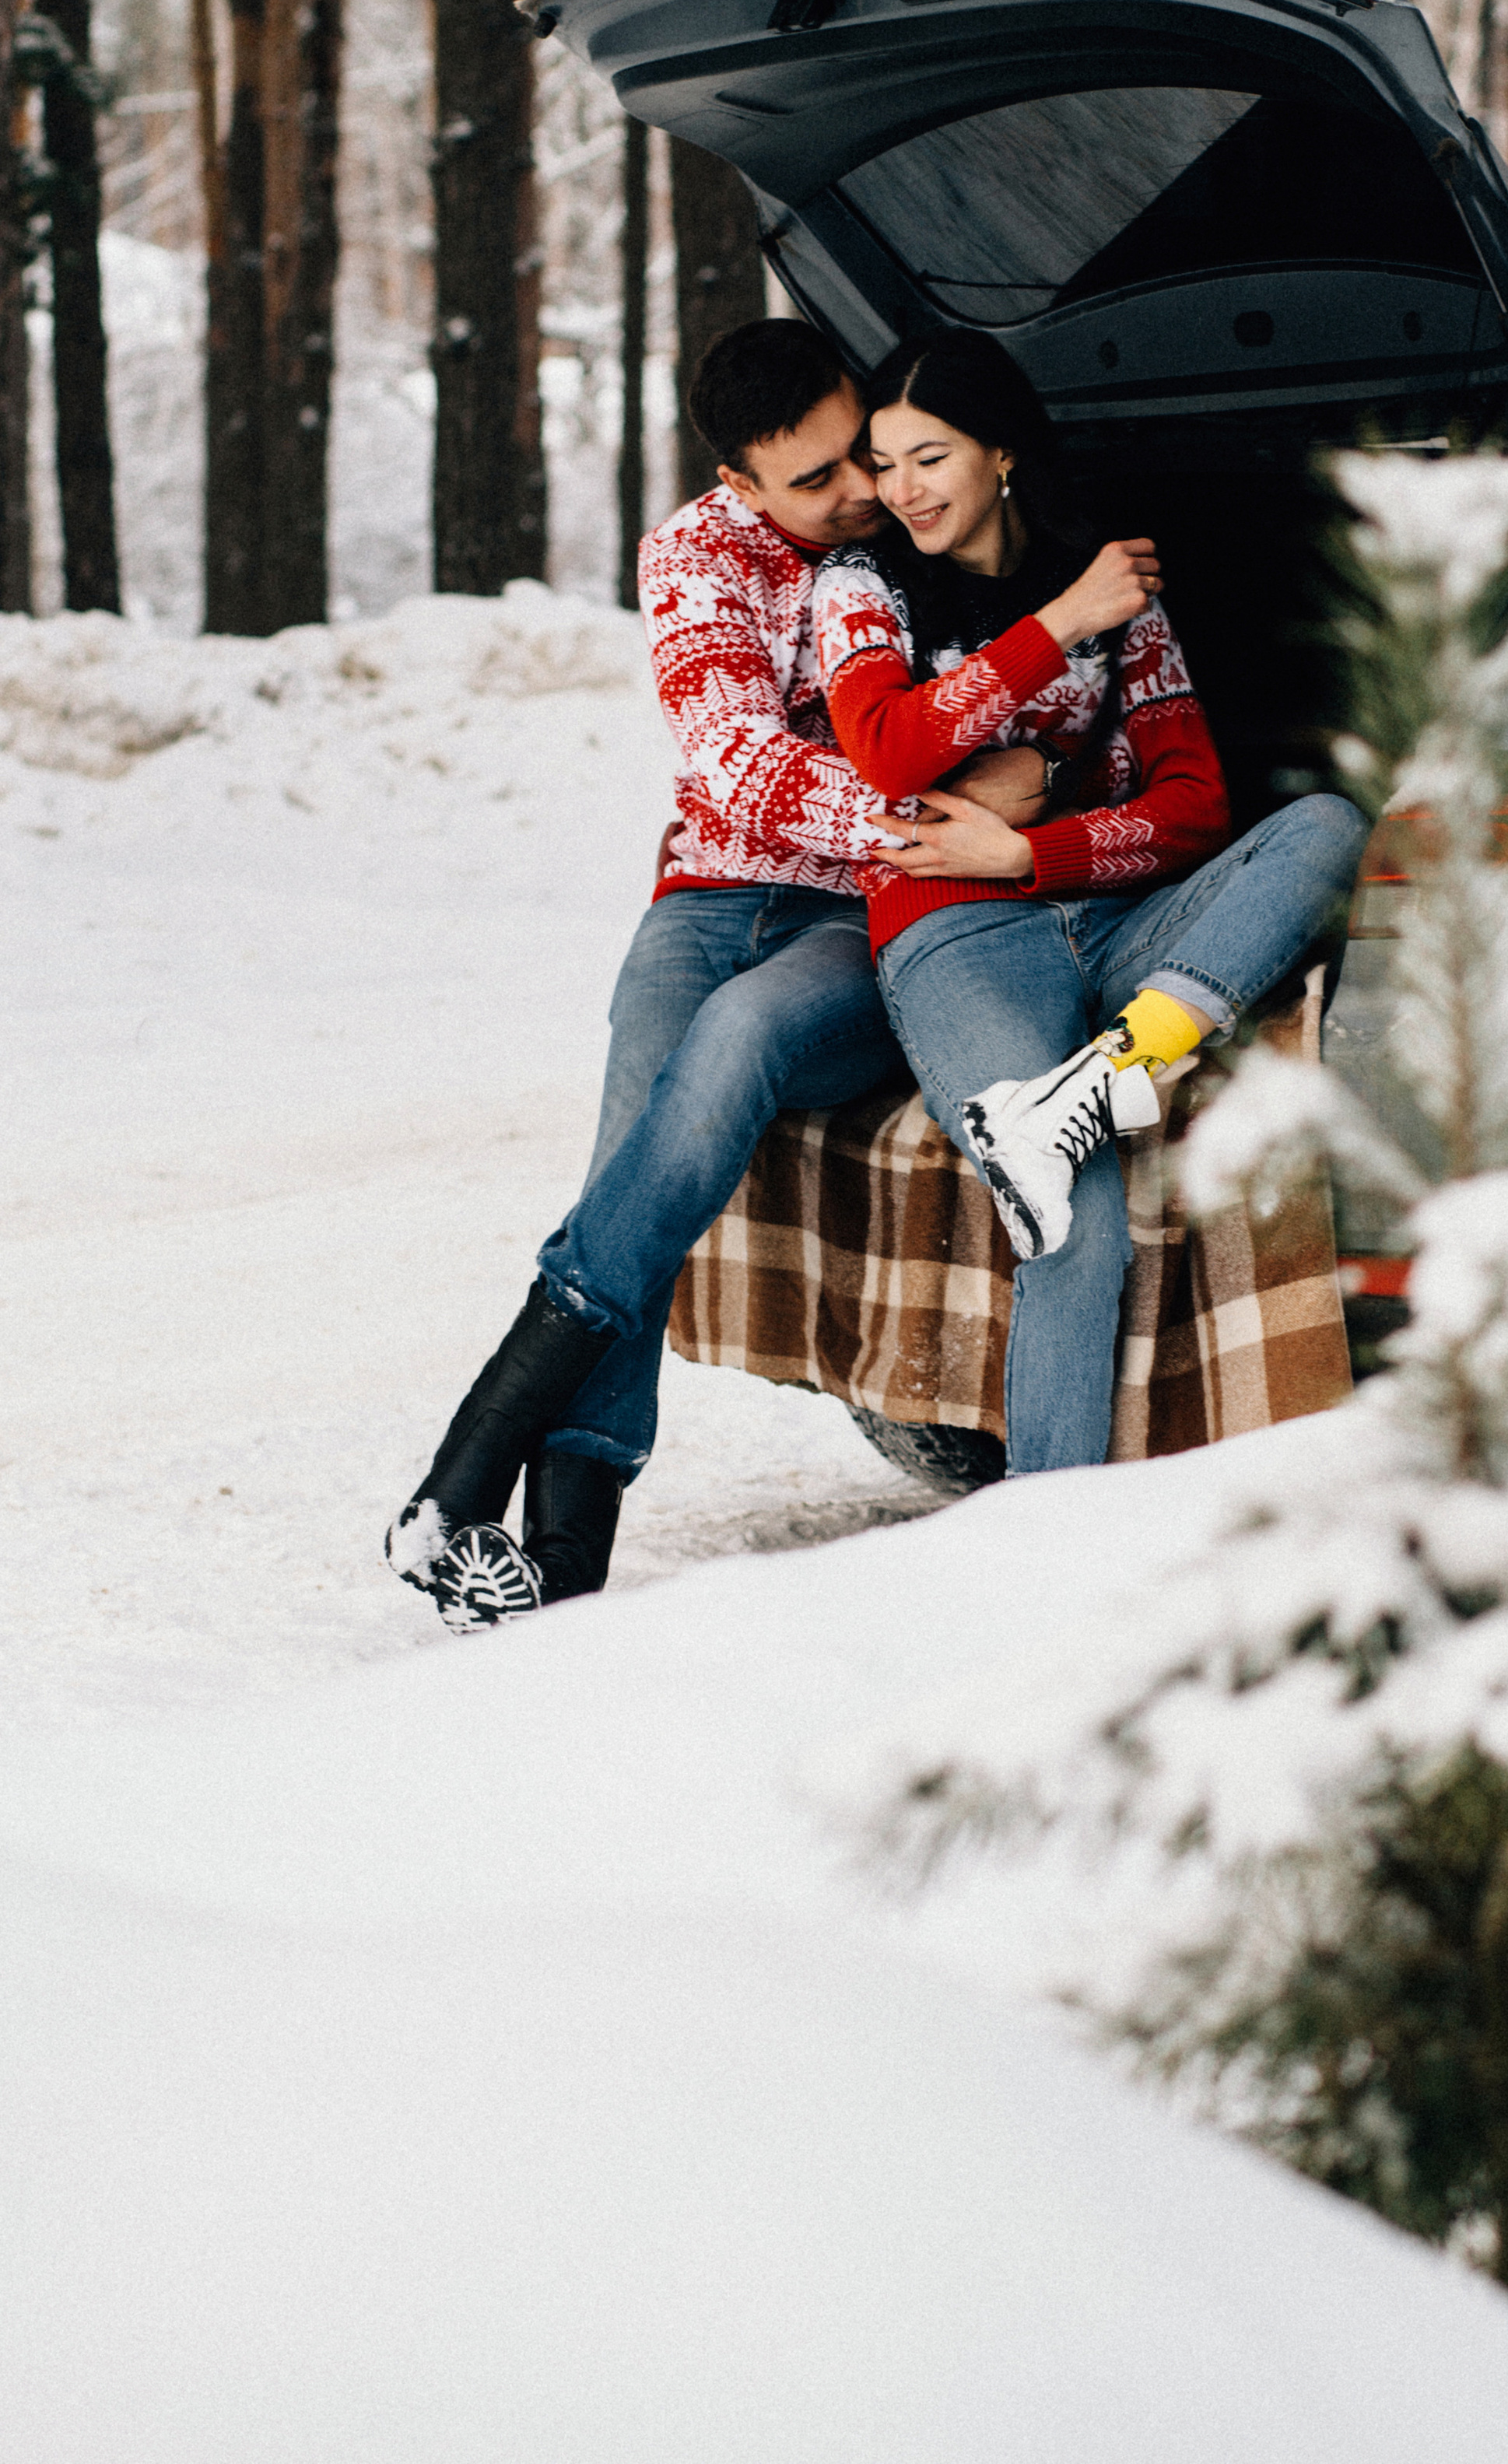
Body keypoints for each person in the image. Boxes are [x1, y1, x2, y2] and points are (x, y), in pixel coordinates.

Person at [382, 321, 1037, 1628]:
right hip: (712, 895)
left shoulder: (914, 530)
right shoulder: (692, 556)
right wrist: (928, 811)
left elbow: (1004, 725)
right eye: (815, 479)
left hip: (867, 913)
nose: (862, 490)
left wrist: (956, 815)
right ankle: (560, 1565)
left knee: (738, 1035)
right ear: (740, 482)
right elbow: (735, 760)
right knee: (632, 1159)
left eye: (861, 453)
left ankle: (462, 1475)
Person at [812, 331, 1369, 1478]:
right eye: (886, 461)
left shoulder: (1115, 591)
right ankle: (1046, 1537)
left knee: (1326, 827)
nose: (902, 490)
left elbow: (1197, 809)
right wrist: (1061, 622)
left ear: (1002, 454)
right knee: (1073, 1216)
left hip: (1115, 918)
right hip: (955, 940)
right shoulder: (864, 586)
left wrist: (1027, 850)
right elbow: (889, 749)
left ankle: (1110, 1071)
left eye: (931, 458)